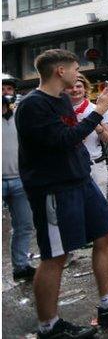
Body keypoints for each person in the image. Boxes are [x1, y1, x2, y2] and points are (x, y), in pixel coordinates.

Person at [15, 49, 108, 338]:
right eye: (75, 69)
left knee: (107, 235)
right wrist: (98, 110)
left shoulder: (62, 99)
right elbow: (64, 139)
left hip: (81, 180)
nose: (79, 75)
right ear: (59, 72)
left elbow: (75, 135)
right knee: (56, 255)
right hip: (53, 188)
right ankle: (49, 327)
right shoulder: (33, 106)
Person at [3, 85, 35, 282]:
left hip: (19, 179)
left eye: (9, 89)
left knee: (24, 225)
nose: (6, 93)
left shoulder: (19, 118)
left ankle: (21, 266)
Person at [67, 75, 108, 197]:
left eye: (79, 86)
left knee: (100, 209)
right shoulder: (60, 111)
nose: (75, 89)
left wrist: (97, 127)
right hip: (71, 166)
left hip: (95, 165)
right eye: (71, 86)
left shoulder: (97, 109)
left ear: (85, 89)